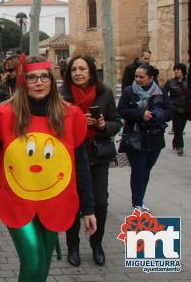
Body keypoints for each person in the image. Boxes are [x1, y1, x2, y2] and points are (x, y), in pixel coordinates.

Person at [0, 56, 96, 282]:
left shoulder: (69, 114)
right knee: (34, 262)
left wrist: (88, 208)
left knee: (44, 264)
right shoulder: (5, 113)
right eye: (32, 77)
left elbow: (81, 164)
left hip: (54, 200)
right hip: (17, 200)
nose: (39, 82)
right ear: (22, 82)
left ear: (51, 79)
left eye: (44, 76)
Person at [61, 55, 122, 267]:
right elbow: (54, 125)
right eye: (74, 69)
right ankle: (73, 246)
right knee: (73, 205)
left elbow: (117, 122)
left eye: (82, 69)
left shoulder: (104, 94)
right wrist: (76, 122)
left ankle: (97, 244)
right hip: (70, 158)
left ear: (91, 71)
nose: (78, 73)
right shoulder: (63, 96)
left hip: (97, 156)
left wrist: (103, 124)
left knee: (100, 203)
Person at [118, 64, 172, 212]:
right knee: (138, 170)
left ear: (150, 78)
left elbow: (169, 111)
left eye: (141, 77)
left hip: (154, 137)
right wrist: (140, 114)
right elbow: (122, 111)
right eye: (136, 76)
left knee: (146, 170)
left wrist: (158, 115)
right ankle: (137, 203)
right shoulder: (129, 92)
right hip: (135, 138)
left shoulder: (160, 91)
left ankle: (139, 198)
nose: (138, 79)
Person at [163, 63, 189, 156]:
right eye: (175, 69)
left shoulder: (189, 81)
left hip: (186, 109)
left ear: (183, 71)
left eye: (178, 69)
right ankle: (180, 147)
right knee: (177, 129)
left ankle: (176, 141)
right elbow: (164, 93)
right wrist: (168, 104)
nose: (176, 71)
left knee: (181, 129)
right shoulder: (170, 82)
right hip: (175, 108)